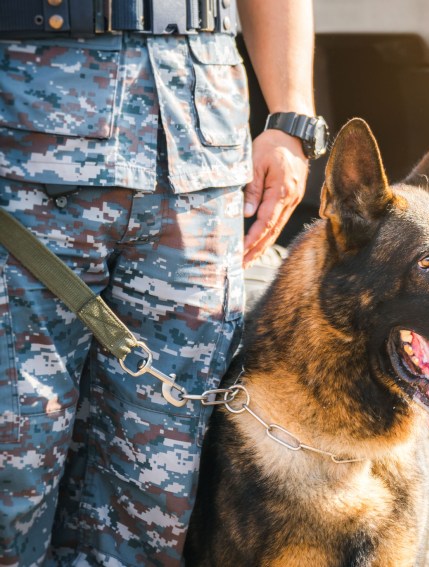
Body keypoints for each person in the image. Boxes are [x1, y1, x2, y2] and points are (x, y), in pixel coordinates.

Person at [0, 0, 321, 564]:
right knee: (11, 470)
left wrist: (291, 119)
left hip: (197, 163)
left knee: (154, 498)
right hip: (24, 158)